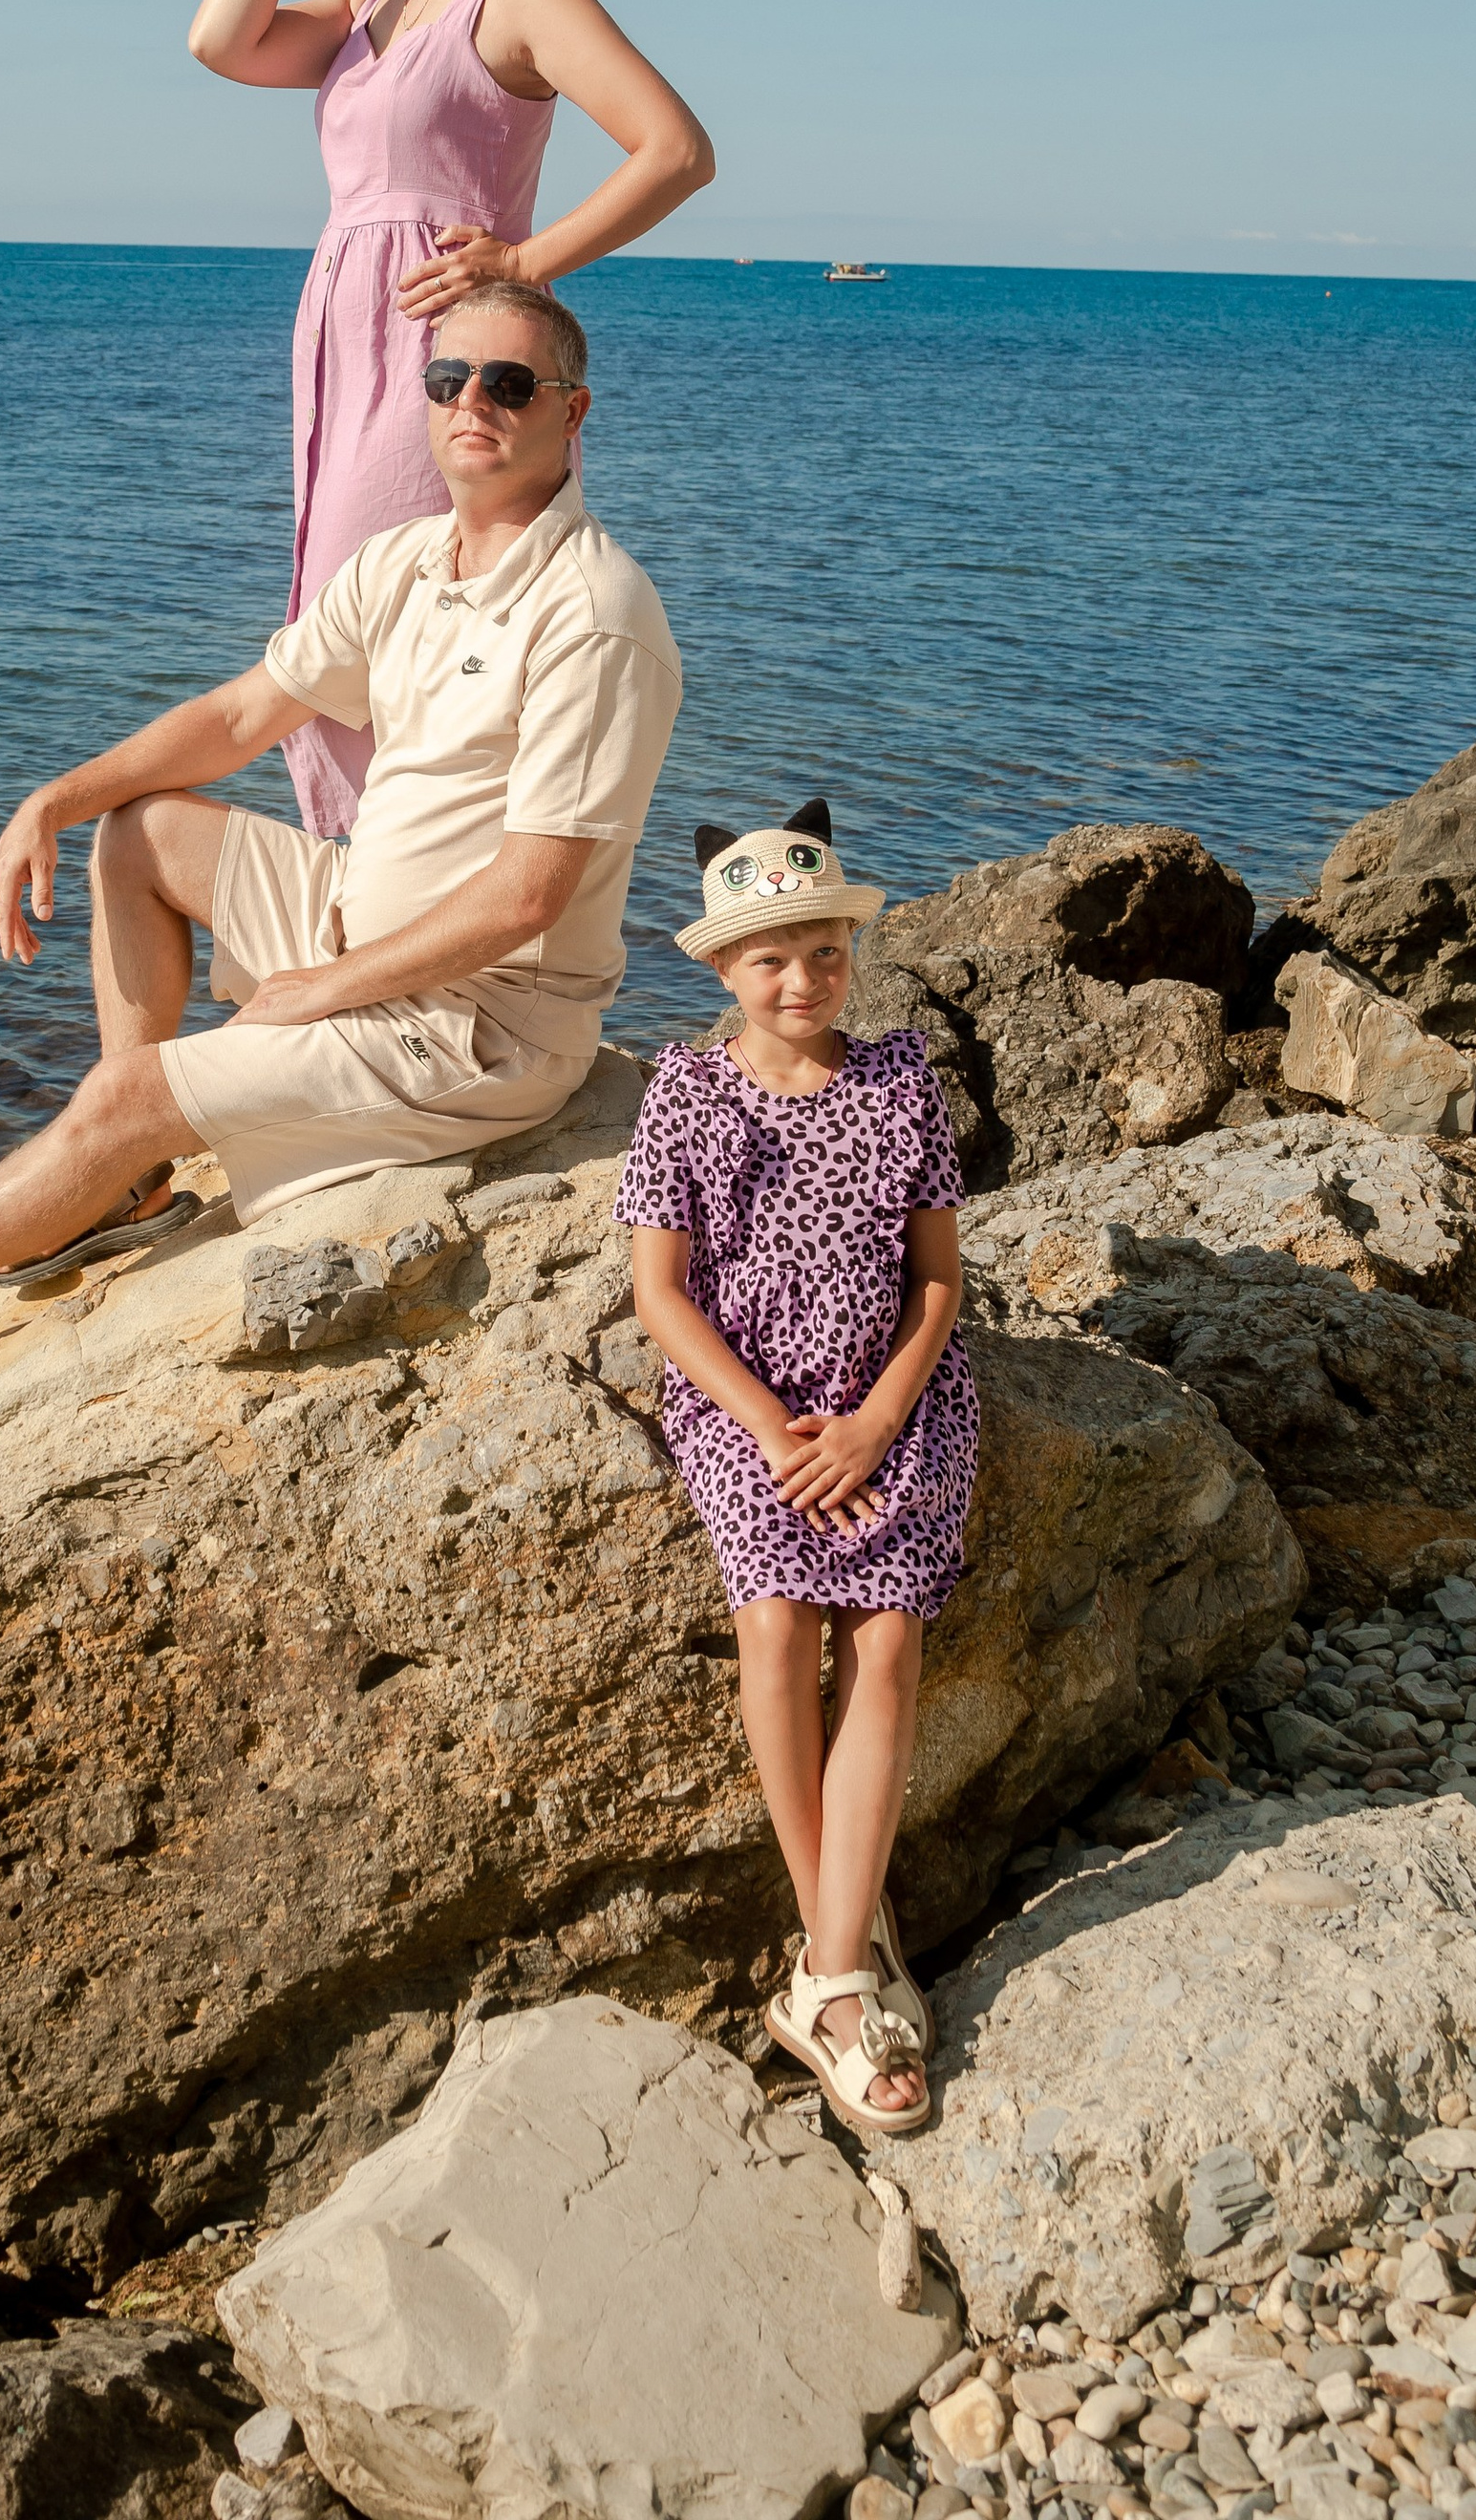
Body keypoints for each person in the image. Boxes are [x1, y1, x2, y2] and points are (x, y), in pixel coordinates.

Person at [0, 280, 680, 1380]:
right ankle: (125, 1186)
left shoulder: (596, 614)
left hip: (482, 1024)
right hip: (355, 926)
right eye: (447, 377)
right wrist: (56, 797)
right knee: (140, 834)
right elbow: (239, 715)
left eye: (509, 383)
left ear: (572, 413)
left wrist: (324, 989)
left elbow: (530, 895)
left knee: (126, 1096)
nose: (473, 401)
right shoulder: (405, 561)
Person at [187, 0, 714, 842]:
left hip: (449, 350)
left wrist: (525, 259)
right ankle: (367, 889)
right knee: (345, 619)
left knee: (409, 615)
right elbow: (220, 43)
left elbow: (676, 150)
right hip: (341, 336)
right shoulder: (370, 4)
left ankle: (416, 894)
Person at [615, 804, 976, 2138]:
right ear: (723, 971)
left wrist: (877, 1422)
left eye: (823, 952)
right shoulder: (687, 1095)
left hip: (891, 1404)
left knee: (884, 1638)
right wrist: (774, 1429)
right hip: (753, 1410)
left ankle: (824, 1978)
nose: (803, 981)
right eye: (771, 960)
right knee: (776, 1619)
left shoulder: (897, 1083)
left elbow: (938, 1283)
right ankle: (850, 1945)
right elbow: (660, 1297)